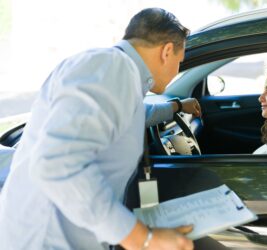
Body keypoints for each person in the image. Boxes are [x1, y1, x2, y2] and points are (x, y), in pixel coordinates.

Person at [0, 8, 196, 250]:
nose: (178, 70)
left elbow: (136, 115)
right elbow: (59, 162)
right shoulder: (114, 68)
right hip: (47, 241)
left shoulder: (117, 73)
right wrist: (143, 239)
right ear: (167, 51)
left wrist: (177, 106)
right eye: (180, 61)